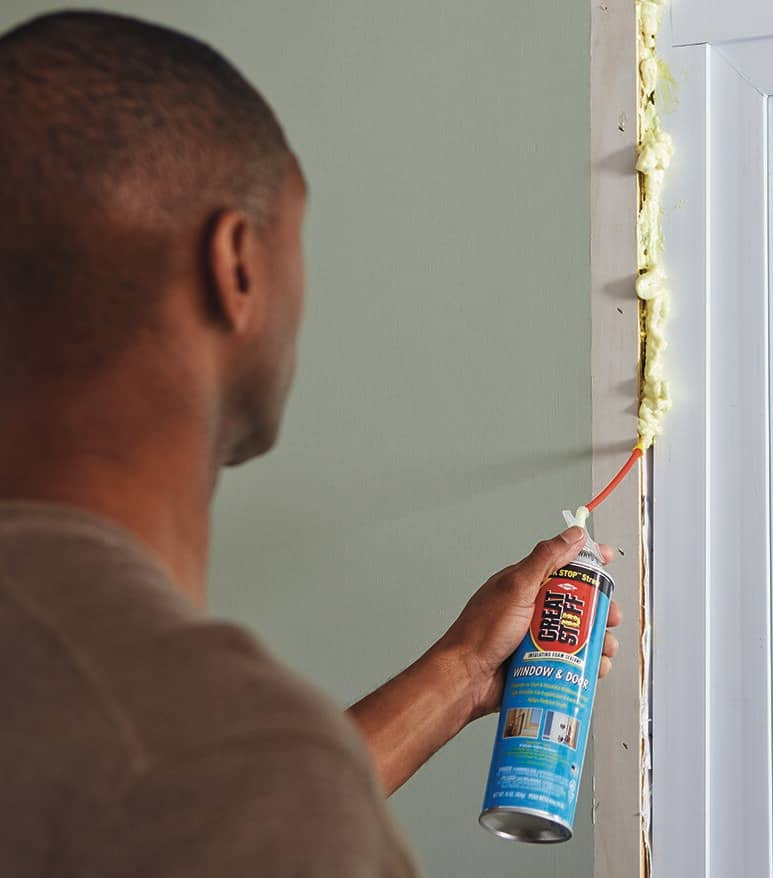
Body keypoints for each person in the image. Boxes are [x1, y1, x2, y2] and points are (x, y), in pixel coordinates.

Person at [0, 10, 619, 876]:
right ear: (237, 265)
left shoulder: (184, 761)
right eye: (299, 238)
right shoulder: (213, 767)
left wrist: (467, 672)